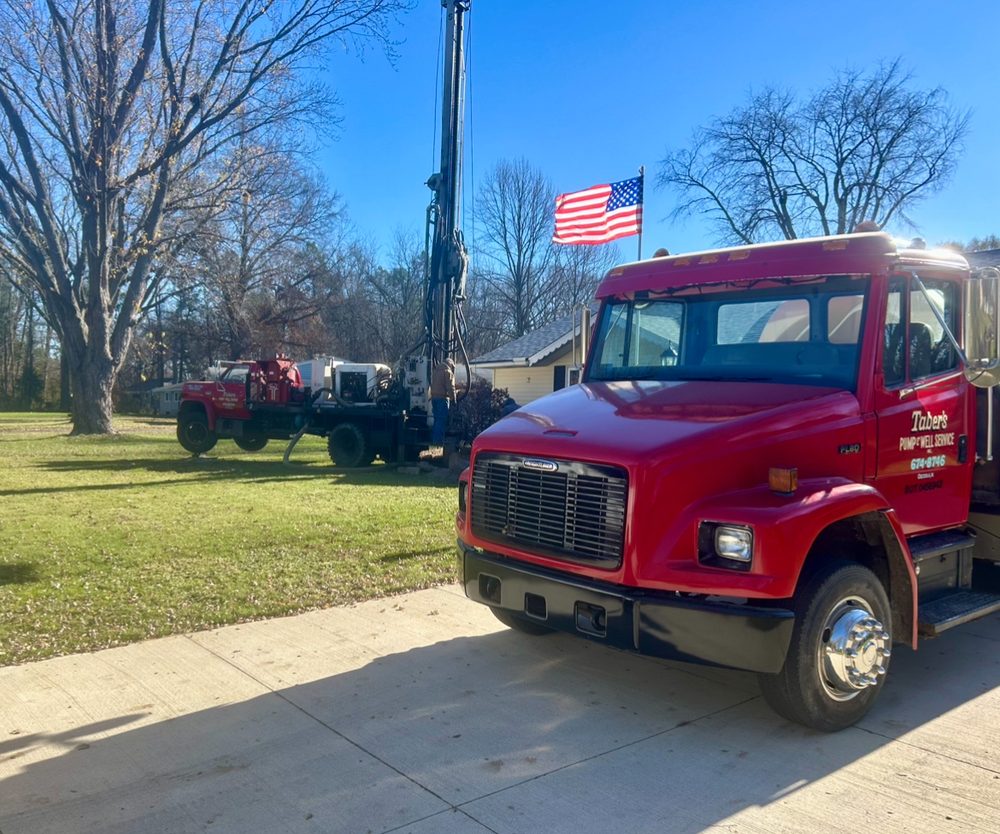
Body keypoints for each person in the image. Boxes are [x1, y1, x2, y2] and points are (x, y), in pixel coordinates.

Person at [430, 358, 456, 445]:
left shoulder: (436, 371)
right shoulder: (447, 372)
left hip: (434, 398)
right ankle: (438, 442)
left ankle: (434, 439)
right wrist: (453, 399)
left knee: (437, 419)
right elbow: (450, 387)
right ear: (451, 365)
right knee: (441, 420)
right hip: (442, 399)